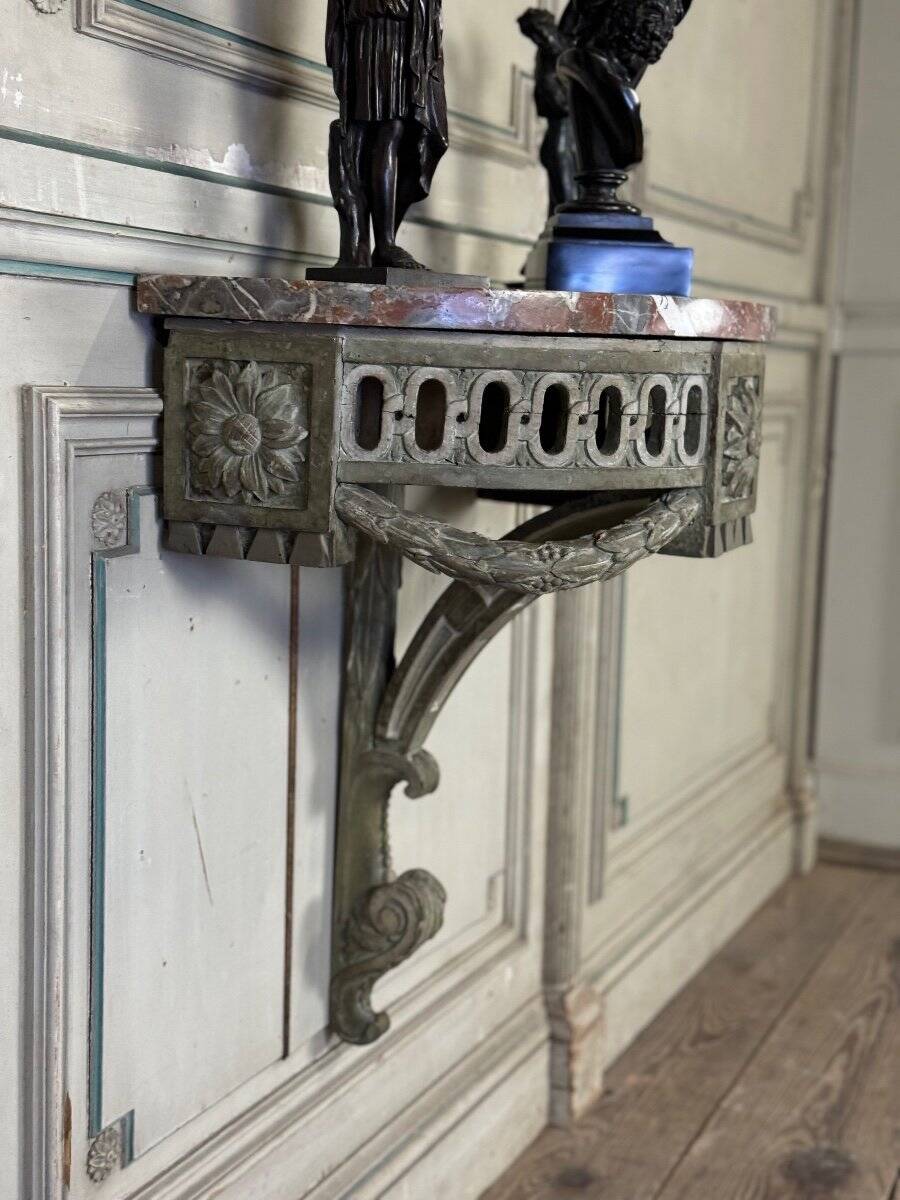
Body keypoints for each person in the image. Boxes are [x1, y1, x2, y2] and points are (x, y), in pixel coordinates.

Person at [325, 0, 449, 271]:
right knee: (386, 130)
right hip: (377, 32)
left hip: (410, 36)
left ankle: (380, 244)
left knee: (417, 138)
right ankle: (379, 245)